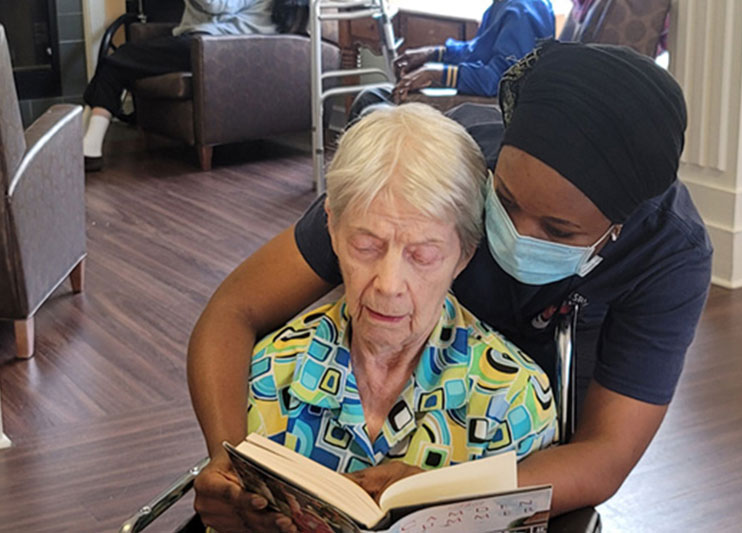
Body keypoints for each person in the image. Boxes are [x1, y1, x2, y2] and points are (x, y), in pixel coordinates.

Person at [188, 39, 712, 519]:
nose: (515, 235)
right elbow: (235, 308)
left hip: (512, 432)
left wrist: (446, 495)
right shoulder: (439, 175)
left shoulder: (669, 252)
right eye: (503, 202)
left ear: (617, 228)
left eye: (557, 229)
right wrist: (230, 463)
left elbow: (606, 455)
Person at [191, 104, 558, 532]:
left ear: (464, 255)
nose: (388, 284)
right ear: (331, 228)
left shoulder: (513, 400)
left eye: (423, 256)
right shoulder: (271, 373)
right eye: (366, 246)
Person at [82, 0, 275, 172]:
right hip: (202, 39)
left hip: (220, 45)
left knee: (118, 60)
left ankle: (87, 143)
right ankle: (84, 142)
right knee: (117, 62)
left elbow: (216, 5)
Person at [349, 0, 554, 120]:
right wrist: (433, 54)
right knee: (370, 97)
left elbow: (501, 80)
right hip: (477, 99)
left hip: (492, 112)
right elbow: (477, 51)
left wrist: (437, 74)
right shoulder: (504, 5)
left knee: (372, 113)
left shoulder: (525, 10)